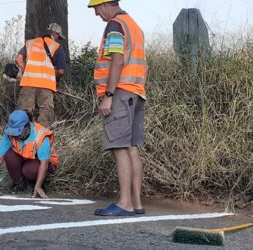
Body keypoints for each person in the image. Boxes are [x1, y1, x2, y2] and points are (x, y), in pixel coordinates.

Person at [88, 0, 148, 216]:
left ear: (105, 5)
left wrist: (108, 96)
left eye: (96, 9)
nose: (97, 14)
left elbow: (117, 60)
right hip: (136, 92)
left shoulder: (115, 25)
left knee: (119, 147)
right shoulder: (133, 25)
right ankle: (137, 203)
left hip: (120, 92)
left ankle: (124, 203)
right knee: (131, 147)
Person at [0, 110, 58, 198]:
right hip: (26, 159)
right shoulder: (10, 134)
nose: (14, 135)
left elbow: (44, 164)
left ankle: (37, 184)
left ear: (27, 127)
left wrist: (38, 187)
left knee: (29, 170)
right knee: (9, 155)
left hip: (44, 163)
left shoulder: (40, 135)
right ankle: (20, 184)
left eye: (18, 131)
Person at [14, 23, 67, 128]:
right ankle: (42, 138)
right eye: (58, 37)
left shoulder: (30, 43)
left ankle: (19, 138)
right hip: (46, 85)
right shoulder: (57, 47)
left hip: (28, 82)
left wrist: (27, 73)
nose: (58, 39)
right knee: (45, 115)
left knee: (23, 113)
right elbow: (61, 71)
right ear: (55, 34)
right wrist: (56, 79)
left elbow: (18, 59)